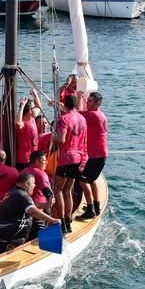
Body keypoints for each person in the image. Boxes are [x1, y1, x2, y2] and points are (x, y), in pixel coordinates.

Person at [0, 172, 61, 257]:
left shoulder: (13, 191)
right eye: (33, 183)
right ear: (26, 184)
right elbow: (32, 211)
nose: (35, 185)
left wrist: (46, 205)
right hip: (6, 241)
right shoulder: (23, 195)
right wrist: (53, 220)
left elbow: (32, 205)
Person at [53, 95, 87, 234]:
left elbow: (61, 139)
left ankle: (62, 222)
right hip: (78, 157)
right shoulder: (82, 119)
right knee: (68, 190)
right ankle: (68, 220)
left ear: (65, 105)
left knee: (59, 190)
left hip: (67, 158)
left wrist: (53, 136)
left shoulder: (64, 119)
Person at [76, 91, 108, 220]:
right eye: (87, 100)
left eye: (89, 101)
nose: (87, 103)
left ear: (97, 103)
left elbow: (78, 116)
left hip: (97, 156)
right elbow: (80, 112)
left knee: (83, 181)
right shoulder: (97, 114)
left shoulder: (95, 116)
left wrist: (78, 98)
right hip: (98, 155)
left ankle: (90, 210)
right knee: (92, 180)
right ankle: (96, 205)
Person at [21, 150, 54, 239]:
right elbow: (47, 192)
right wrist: (50, 202)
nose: (46, 162)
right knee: (38, 239)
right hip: (38, 213)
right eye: (44, 160)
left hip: (23, 212)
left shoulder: (24, 171)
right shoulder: (41, 174)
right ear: (37, 161)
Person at [15, 97, 38, 171]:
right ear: (29, 110)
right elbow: (17, 123)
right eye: (33, 107)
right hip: (24, 160)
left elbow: (39, 106)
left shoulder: (32, 119)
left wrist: (35, 95)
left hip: (33, 159)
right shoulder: (23, 122)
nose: (35, 109)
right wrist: (22, 106)